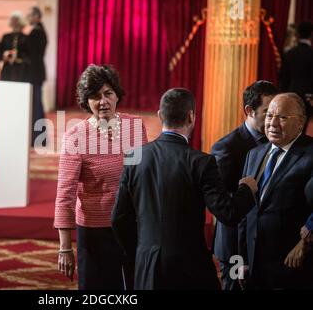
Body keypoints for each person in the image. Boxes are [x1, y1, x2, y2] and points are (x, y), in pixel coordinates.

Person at [111, 88, 258, 290]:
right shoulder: (202, 162)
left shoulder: (134, 158)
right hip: (189, 266)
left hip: (147, 263)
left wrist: (142, 249)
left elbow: (119, 218)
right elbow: (228, 213)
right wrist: (247, 190)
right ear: (191, 116)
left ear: (160, 115)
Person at [54, 64, 148, 290]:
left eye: (108, 93)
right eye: (95, 96)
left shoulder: (134, 127)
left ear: (117, 95)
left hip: (131, 226)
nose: (103, 101)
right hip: (94, 232)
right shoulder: (75, 136)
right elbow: (65, 195)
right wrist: (65, 248)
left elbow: (144, 179)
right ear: (87, 101)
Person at [240, 93, 313, 289]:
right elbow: (243, 214)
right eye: (269, 115)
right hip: (254, 270)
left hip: (292, 269)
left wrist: (305, 243)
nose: (272, 123)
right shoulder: (253, 155)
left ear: (300, 122)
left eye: (282, 117)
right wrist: (240, 263)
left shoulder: (310, 155)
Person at [211, 81, 279, 290]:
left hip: (263, 245)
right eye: (268, 112)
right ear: (249, 111)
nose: (273, 120)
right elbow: (223, 207)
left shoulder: (276, 142)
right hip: (233, 250)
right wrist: (239, 258)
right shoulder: (226, 148)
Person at [25, 6, 47, 146]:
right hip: (36, 73)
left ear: (37, 17)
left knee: (36, 107)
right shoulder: (39, 31)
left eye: (30, 15)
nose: (28, 17)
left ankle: (38, 139)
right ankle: (38, 138)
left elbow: (29, 52)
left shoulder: (37, 32)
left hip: (34, 73)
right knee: (36, 106)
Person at [279, 21, 313, 101]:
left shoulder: (289, 53)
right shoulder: (311, 53)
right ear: (311, 35)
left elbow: (283, 76)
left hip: (291, 94)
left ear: (298, 34)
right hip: (309, 96)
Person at [0, 12, 29, 82]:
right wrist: (4, 55)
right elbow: (0, 51)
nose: (14, 22)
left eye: (16, 20)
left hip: (21, 69)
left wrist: (18, 57)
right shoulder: (6, 37)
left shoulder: (26, 38)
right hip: (7, 69)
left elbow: (28, 54)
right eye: (13, 20)